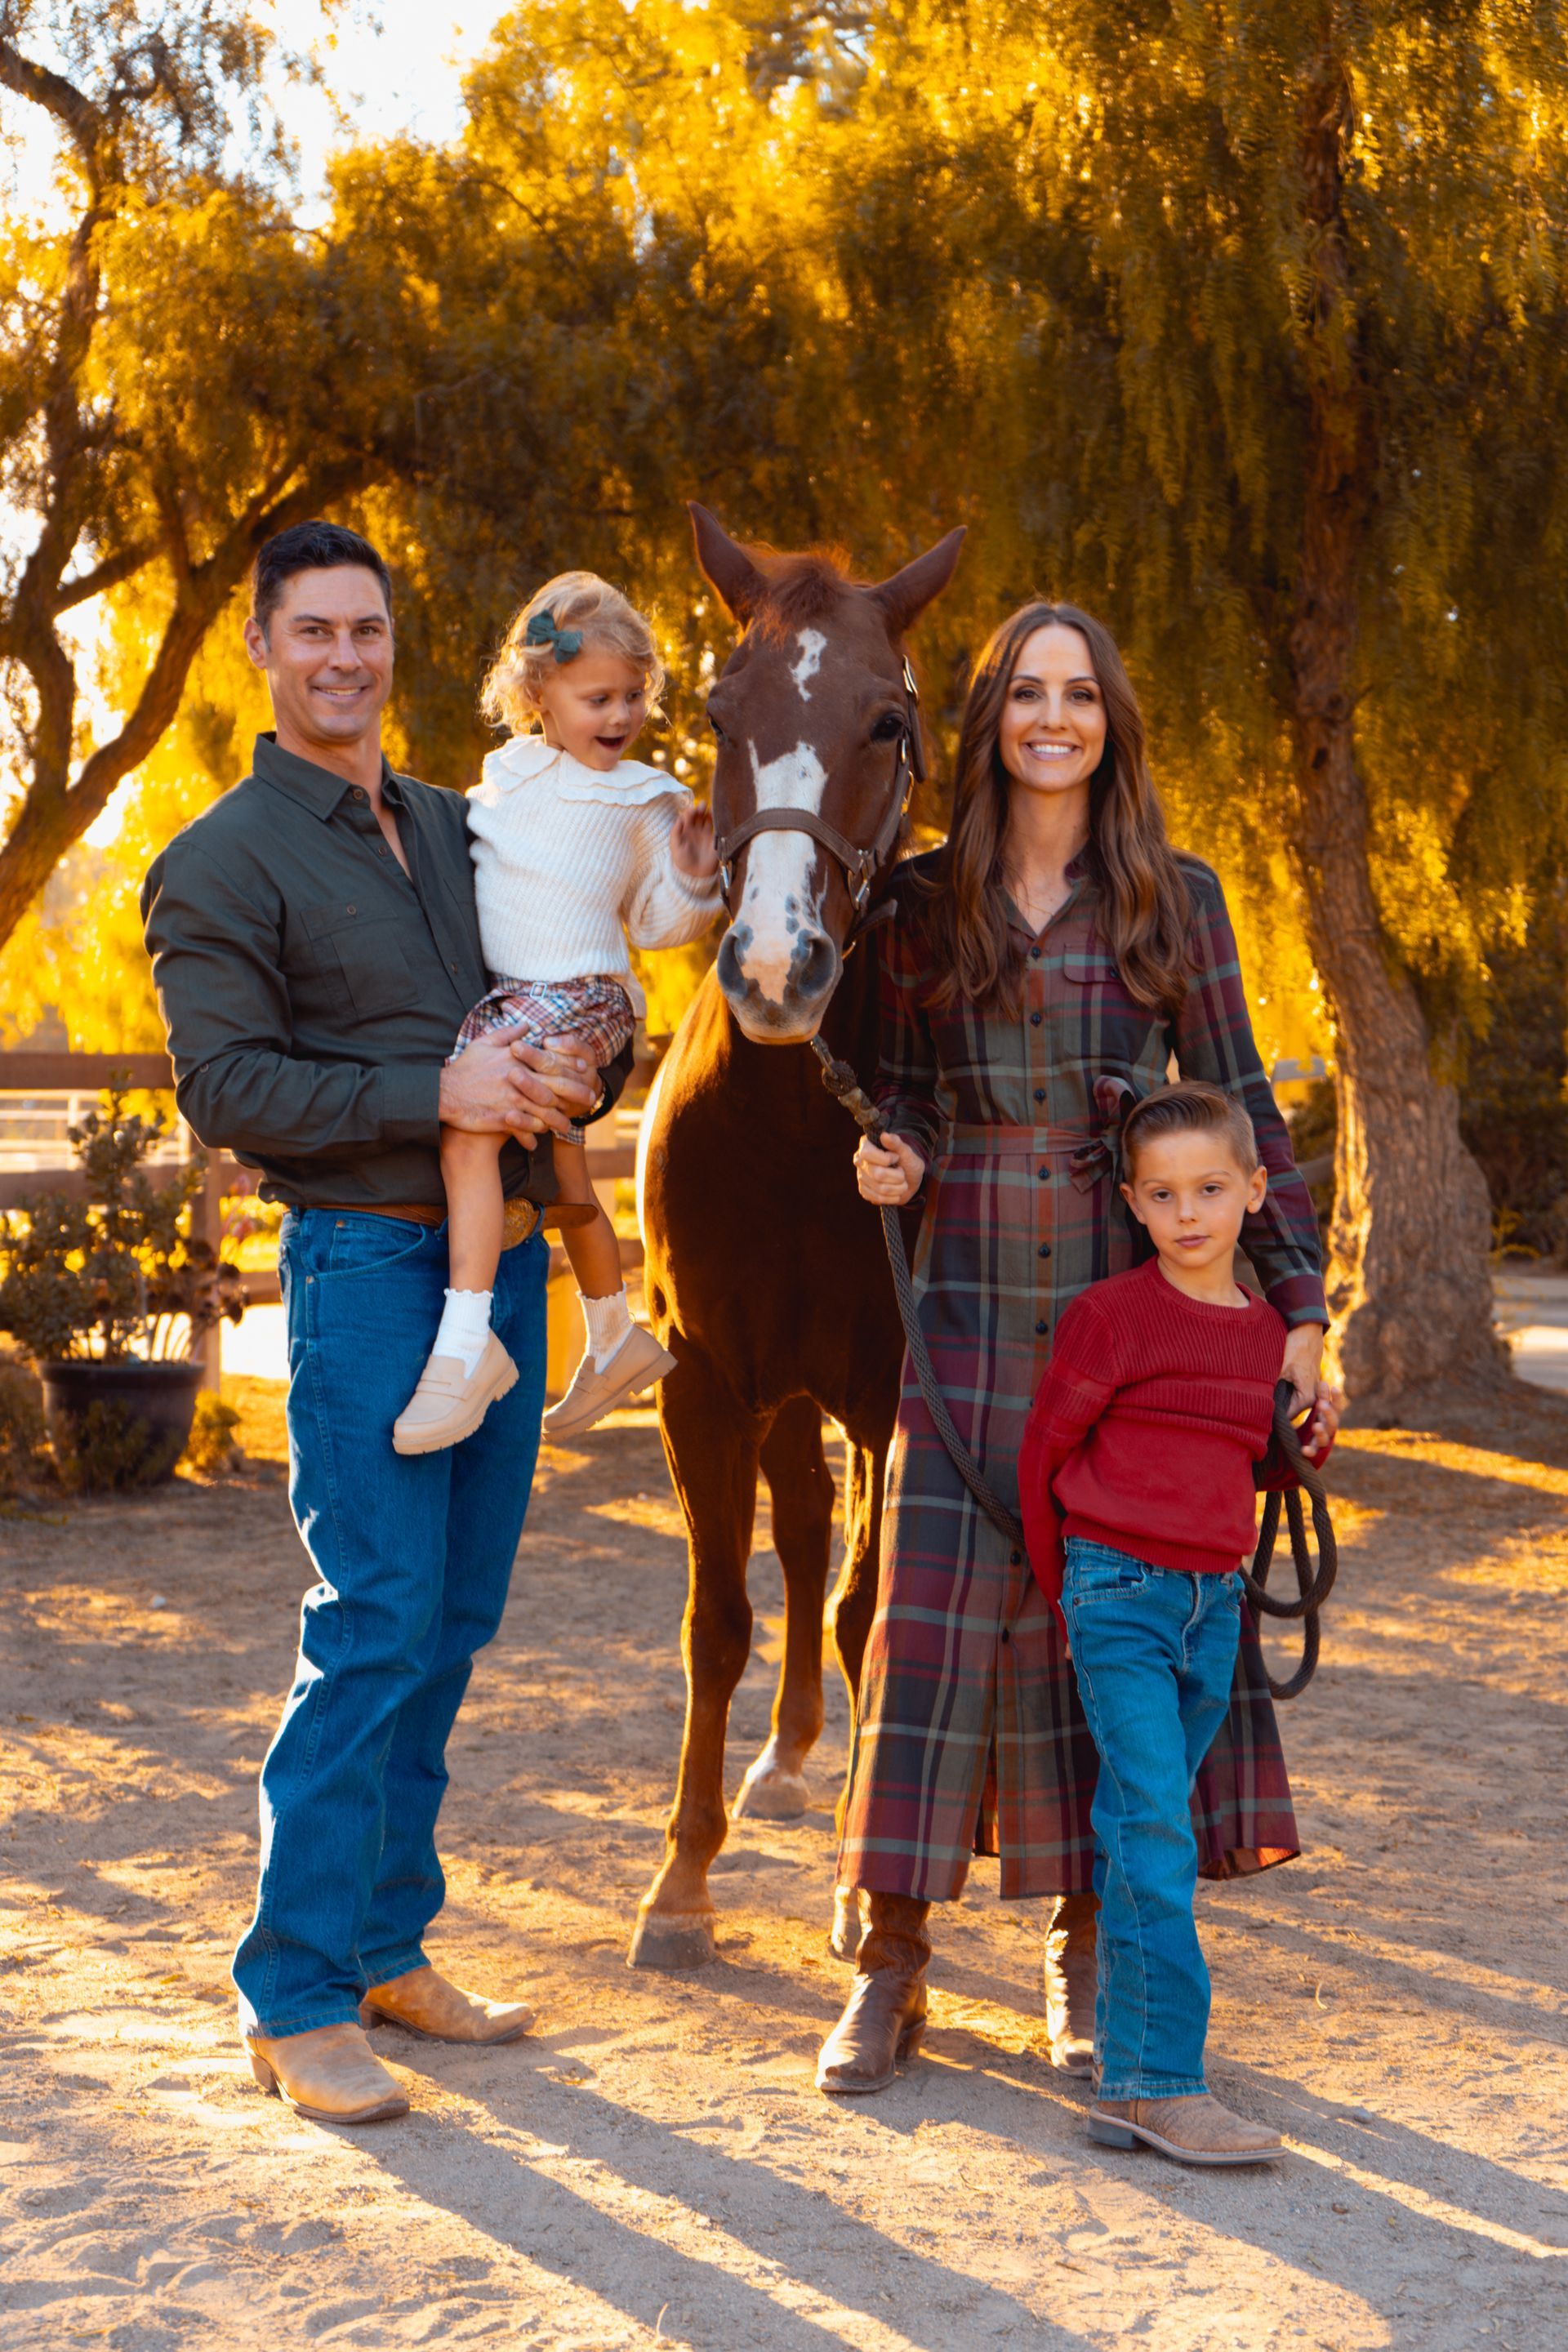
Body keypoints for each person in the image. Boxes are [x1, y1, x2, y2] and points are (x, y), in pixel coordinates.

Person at [141, 521, 629, 2128]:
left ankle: (385, 1943)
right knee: (372, 1615)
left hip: (514, 1271)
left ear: (394, 645)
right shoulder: (216, 861)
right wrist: (433, 1090)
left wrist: (580, 1074)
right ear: (264, 652)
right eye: (313, 632)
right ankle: (290, 1994)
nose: (345, 656)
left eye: (369, 629)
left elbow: (562, 979)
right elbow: (226, 1089)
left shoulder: (462, 820)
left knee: (455, 1620)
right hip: (361, 1270)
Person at [817, 599, 1340, 2098]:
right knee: (928, 1624)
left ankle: (1089, 1941)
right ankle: (891, 1958)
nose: (1057, 718)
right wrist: (898, 1156)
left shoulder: (1177, 897)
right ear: (993, 723)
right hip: (966, 1304)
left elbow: (1244, 1110)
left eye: (1083, 695)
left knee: (1102, 1631)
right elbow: (905, 1092)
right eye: (1028, 695)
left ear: (1113, 721)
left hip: (1137, 1317)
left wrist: (1298, 1307)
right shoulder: (917, 906)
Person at [1018, 1080, 1337, 2166]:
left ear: (1254, 1190)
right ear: (1135, 1203)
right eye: (1164, 1193)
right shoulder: (1110, 1319)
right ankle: (1158, 2082)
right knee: (1152, 1823)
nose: (1190, 1211)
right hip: (1119, 1595)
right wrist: (1073, 1592)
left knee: (1144, 1821)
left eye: (1210, 1187)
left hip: (1216, 1603)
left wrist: (1305, 1439)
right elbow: (1043, 1461)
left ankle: (1124, 2070)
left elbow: (1249, 1463)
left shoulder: (1266, 1338)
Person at [393, 572, 720, 1454]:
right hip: (511, 1002)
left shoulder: (645, 796)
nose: (621, 715)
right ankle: (612, 1337)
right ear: (540, 693)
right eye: (599, 696)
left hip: (583, 994)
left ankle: (466, 1346)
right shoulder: (500, 779)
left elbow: (659, 925)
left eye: (635, 696)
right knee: (569, 1190)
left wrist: (694, 871)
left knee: (467, 1133)